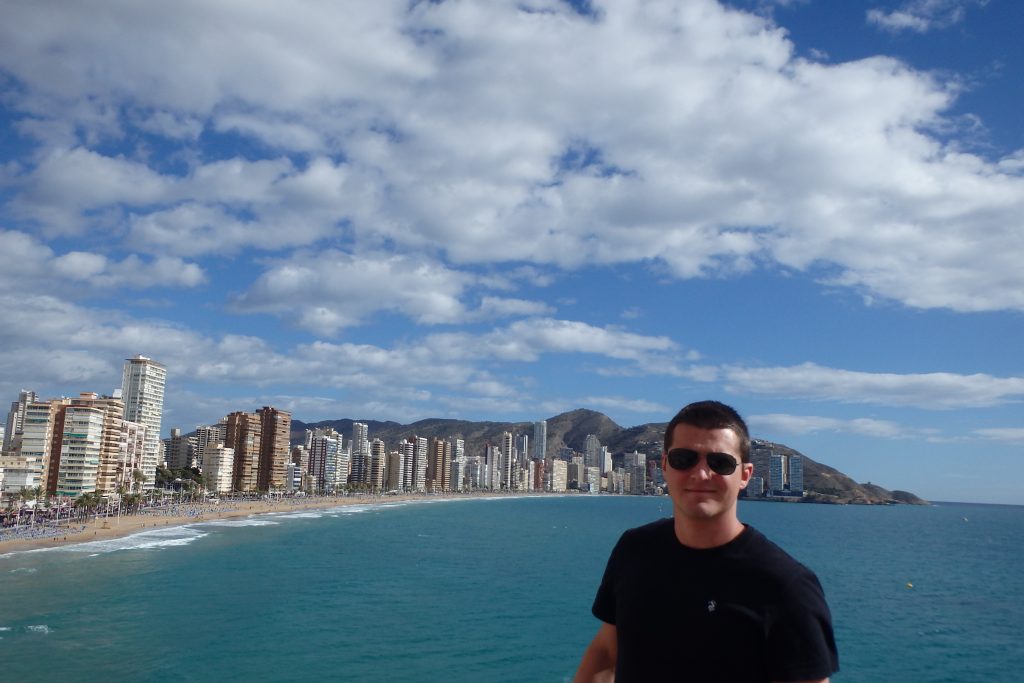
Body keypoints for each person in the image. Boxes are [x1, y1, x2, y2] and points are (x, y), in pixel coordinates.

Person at [574, 400, 839, 683]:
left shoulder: (787, 587)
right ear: (664, 466)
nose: (700, 474)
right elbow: (607, 651)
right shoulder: (634, 550)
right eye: (683, 460)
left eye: (720, 463)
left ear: (745, 476)